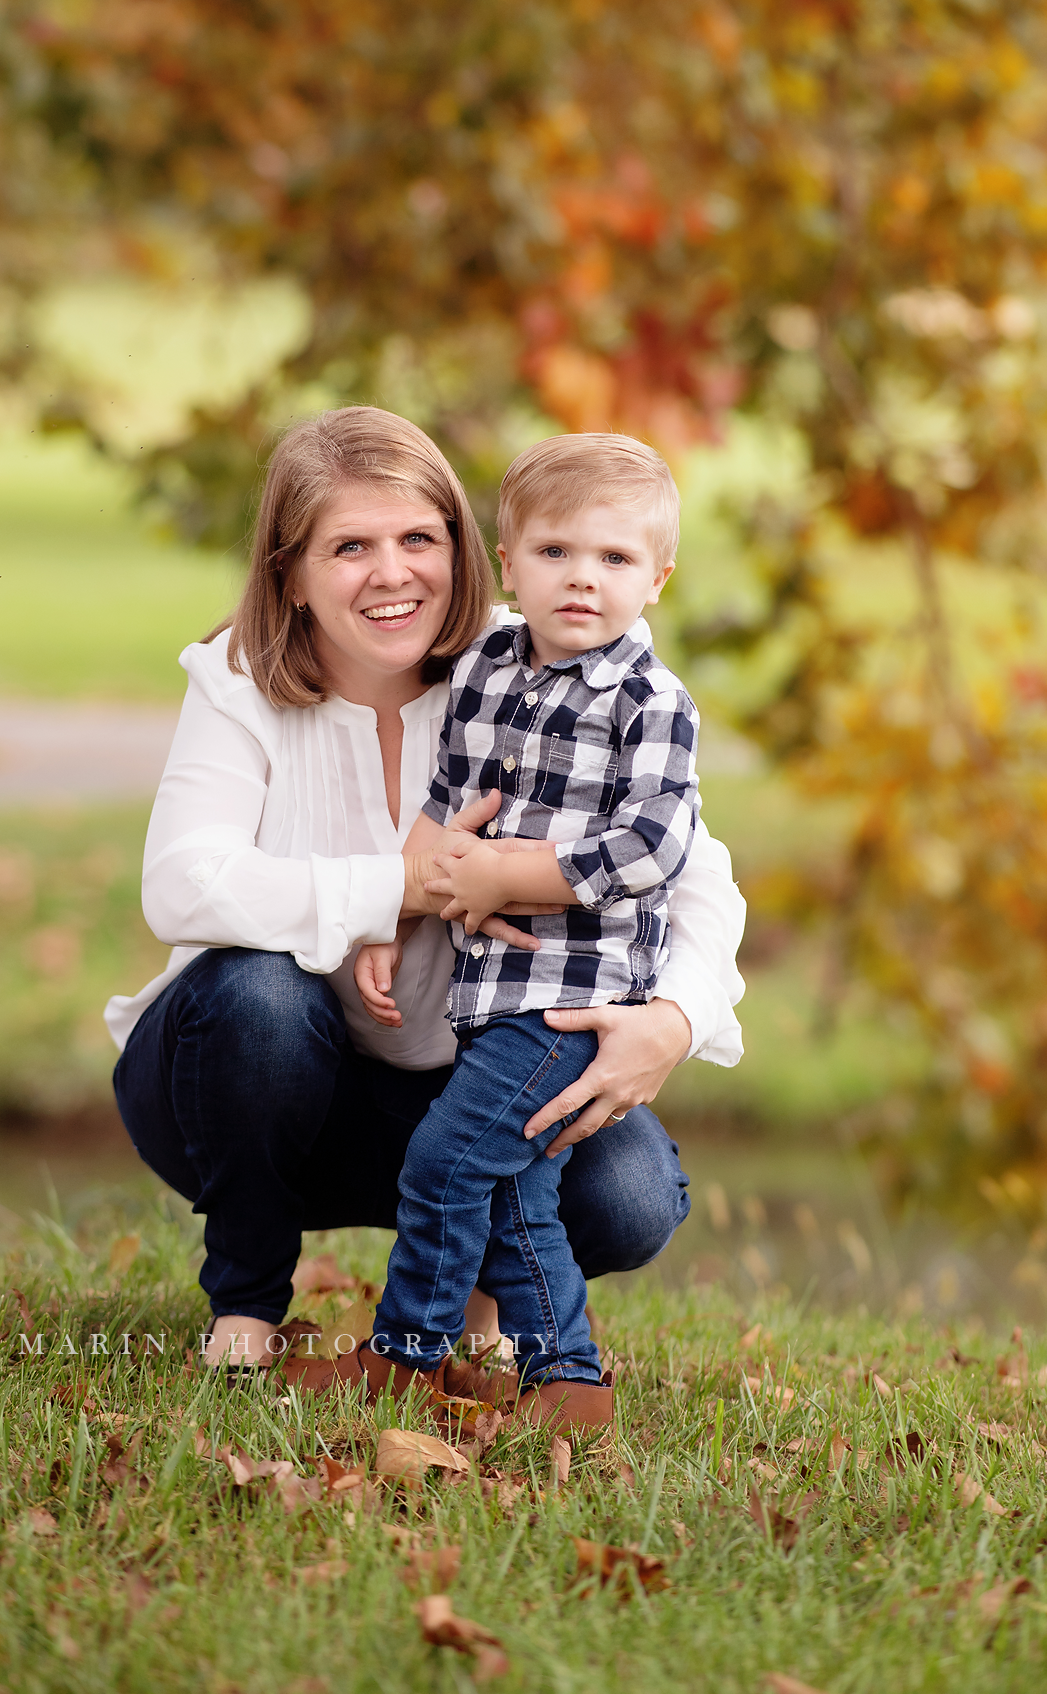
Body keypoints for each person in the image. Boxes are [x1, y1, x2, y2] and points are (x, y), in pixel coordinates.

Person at [105, 408, 746, 1374]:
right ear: (291, 571)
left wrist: (676, 1019)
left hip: (463, 1080)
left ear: (464, 549)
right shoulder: (243, 675)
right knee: (256, 995)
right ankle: (244, 1302)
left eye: (418, 538)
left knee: (629, 1195)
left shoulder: (536, 658)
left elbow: (698, 876)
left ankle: (486, 1299)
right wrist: (394, 891)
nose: (392, 573)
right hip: (262, 1086)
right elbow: (182, 886)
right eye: (348, 546)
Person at [293, 434, 700, 1433]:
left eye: (614, 559)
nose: (582, 579)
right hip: (490, 991)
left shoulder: (651, 704)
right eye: (556, 553)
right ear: (507, 564)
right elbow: (447, 796)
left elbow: (651, 846)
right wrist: (402, 906)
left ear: (657, 579)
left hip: (573, 1000)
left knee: (444, 1161)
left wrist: (508, 875)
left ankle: (405, 1357)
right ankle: (569, 1380)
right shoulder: (486, 665)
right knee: (516, 1191)